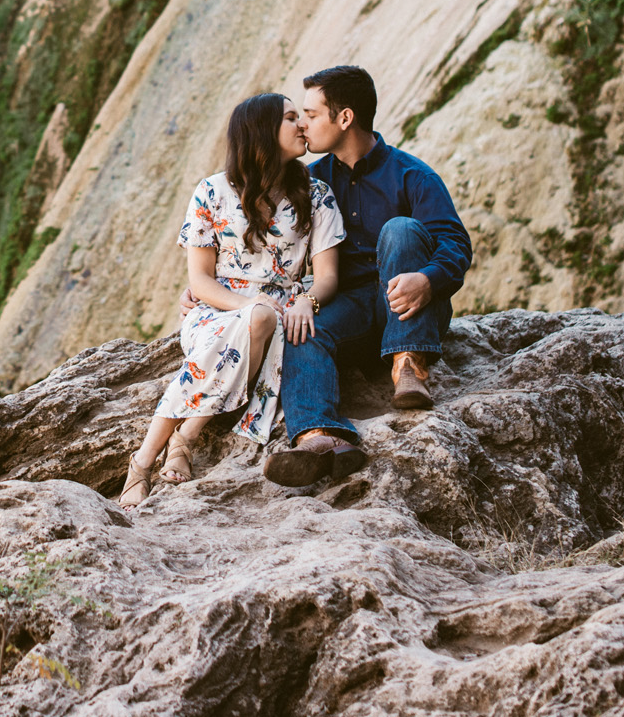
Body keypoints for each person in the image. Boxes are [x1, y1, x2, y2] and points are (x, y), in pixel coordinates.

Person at [119, 92, 346, 508]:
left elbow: (327, 277)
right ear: (260, 131)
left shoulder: (317, 194)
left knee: (264, 318)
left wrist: (305, 301)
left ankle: (169, 446)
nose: (302, 126)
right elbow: (200, 282)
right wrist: (252, 306)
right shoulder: (211, 192)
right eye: (291, 118)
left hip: (283, 314)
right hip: (217, 309)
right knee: (258, 317)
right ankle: (153, 455)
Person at [261, 64, 473, 488]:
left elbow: (456, 244)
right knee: (303, 328)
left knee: (400, 230)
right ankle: (321, 438)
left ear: (345, 118)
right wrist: (205, 289)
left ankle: (409, 365)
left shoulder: (411, 174)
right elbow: (269, 247)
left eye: (312, 114)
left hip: (411, 305)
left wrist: (428, 280)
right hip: (353, 309)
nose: (303, 124)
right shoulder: (313, 182)